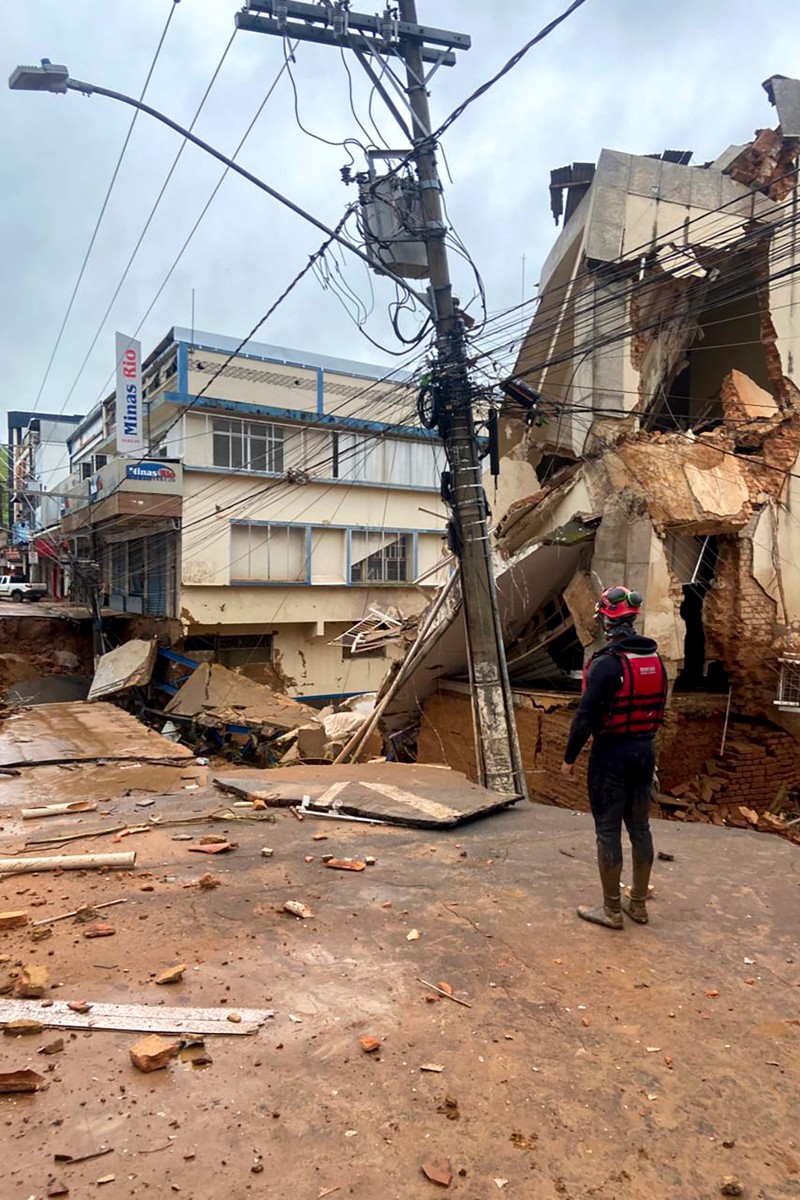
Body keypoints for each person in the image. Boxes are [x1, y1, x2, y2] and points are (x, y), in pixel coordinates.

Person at [560, 585, 668, 931]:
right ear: (633, 619)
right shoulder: (655, 661)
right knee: (640, 828)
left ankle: (611, 910)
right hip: (644, 752)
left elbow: (585, 717)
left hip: (611, 756)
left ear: (606, 621)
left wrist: (569, 758)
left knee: (608, 831)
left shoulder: (606, 664)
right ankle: (638, 905)